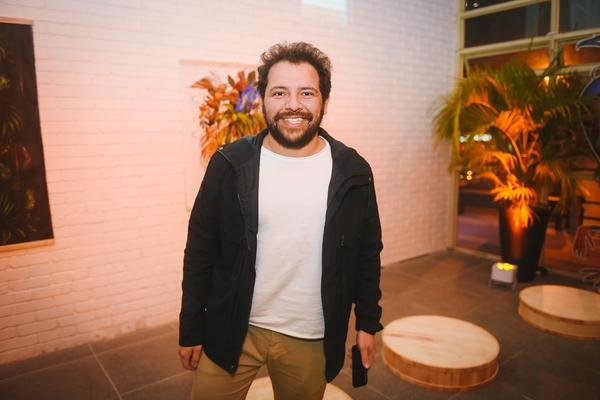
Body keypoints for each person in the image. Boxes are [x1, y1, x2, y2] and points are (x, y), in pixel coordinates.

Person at [178, 41, 383, 400]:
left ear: (324, 101)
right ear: (262, 99)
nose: (293, 104)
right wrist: (191, 327)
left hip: (309, 334)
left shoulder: (353, 171)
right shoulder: (230, 164)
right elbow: (200, 251)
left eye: (306, 92)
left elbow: (367, 253)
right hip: (233, 326)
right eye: (279, 92)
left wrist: (367, 323)